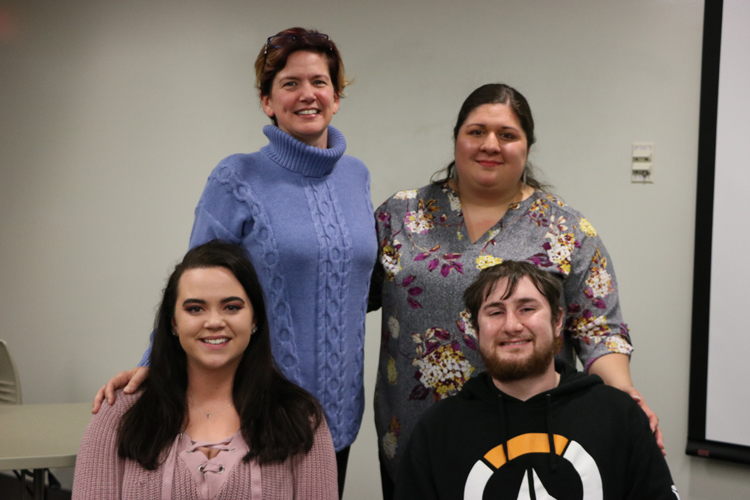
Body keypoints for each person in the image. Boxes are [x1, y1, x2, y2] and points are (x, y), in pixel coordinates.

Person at [92, 28, 377, 497]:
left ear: (336, 96)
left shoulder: (357, 176)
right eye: (289, 83)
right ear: (267, 101)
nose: (307, 94)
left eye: (319, 82)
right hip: (255, 403)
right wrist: (152, 362)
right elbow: (193, 286)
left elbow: (347, 282)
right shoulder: (236, 177)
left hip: (339, 412)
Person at [370, 83, 662, 497]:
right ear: (456, 139)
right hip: (418, 433)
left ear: (527, 146)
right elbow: (340, 297)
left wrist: (623, 399)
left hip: (532, 438)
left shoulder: (566, 229)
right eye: (477, 131)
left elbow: (598, 330)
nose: (491, 144)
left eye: (507, 134)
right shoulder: (400, 215)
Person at [73, 241, 338, 499]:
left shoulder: (302, 418)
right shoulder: (119, 413)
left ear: (254, 318)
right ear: (174, 323)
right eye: (195, 309)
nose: (214, 322)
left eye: (231, 307)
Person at [393, 261, 678, 500]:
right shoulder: (438, 429)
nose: (512, 325)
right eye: (495, 312)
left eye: (527, 309)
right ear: (476, 329)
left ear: (557, 322)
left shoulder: (619, 416)